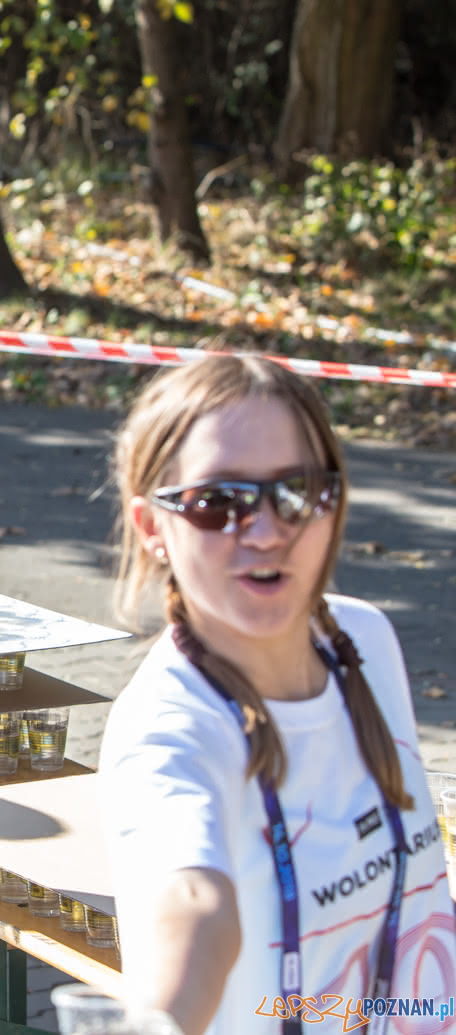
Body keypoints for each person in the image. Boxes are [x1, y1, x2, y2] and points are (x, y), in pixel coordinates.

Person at [99, 355, 456, 1035]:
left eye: (296, 493)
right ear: (152, 528)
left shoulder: (366, 641)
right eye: (218, 503)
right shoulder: (166, 728)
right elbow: (193, 902)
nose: (265, 531)